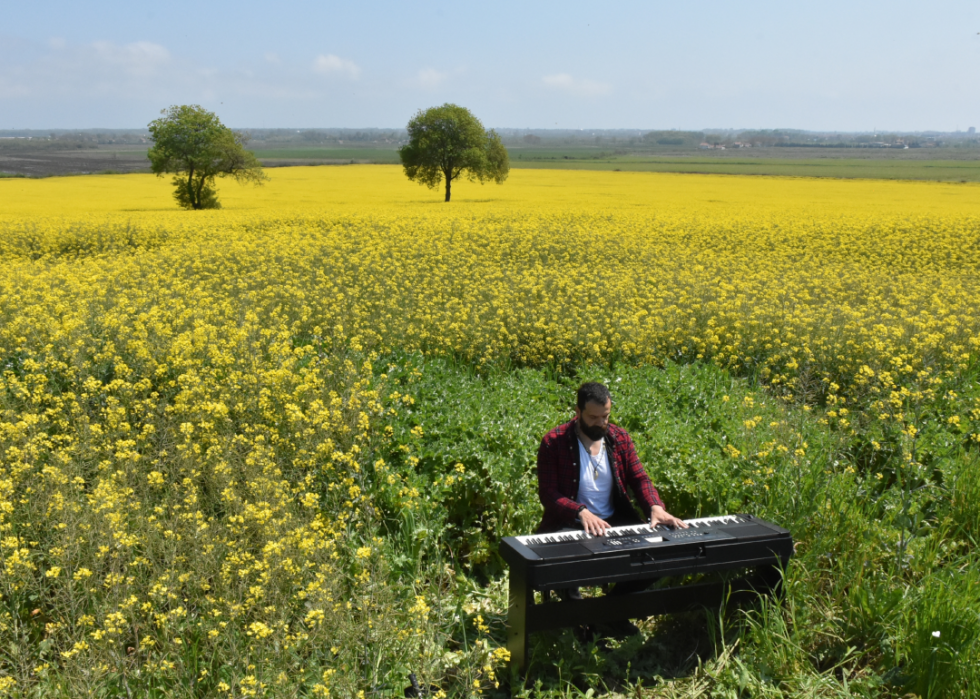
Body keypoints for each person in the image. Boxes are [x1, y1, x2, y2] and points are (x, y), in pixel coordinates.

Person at [535, 381, 687, 636]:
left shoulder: (619, 438)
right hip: (569, 521)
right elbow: (548, 493)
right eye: (593, 417)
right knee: (563, 561)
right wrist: (580, 512)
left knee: (659, 554)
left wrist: (655, 506)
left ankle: (610, 611)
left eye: (605, 416)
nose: (600, 423)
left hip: (613, 520)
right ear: (578, 411)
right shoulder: (554, 442)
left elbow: (639, 478)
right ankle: (577, 616)